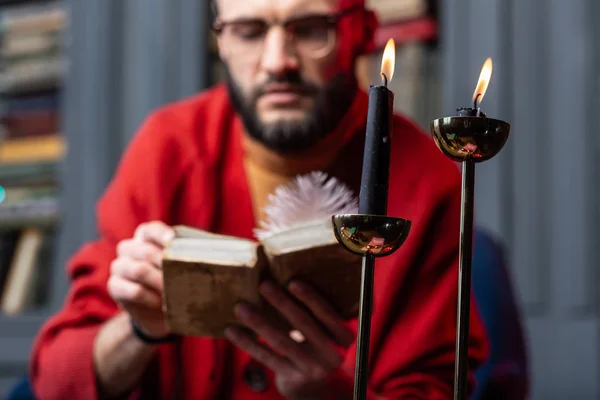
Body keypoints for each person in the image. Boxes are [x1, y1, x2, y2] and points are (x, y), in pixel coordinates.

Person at [29, 0, 489, 398]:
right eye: (248, 32)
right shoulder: (165, 149)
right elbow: (55, 380)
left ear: (362, 31)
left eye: (310, 29)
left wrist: (330, 392)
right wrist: (137, 330)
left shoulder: (428, 181)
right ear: (221, 42)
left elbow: (436, 386)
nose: (277, 62)